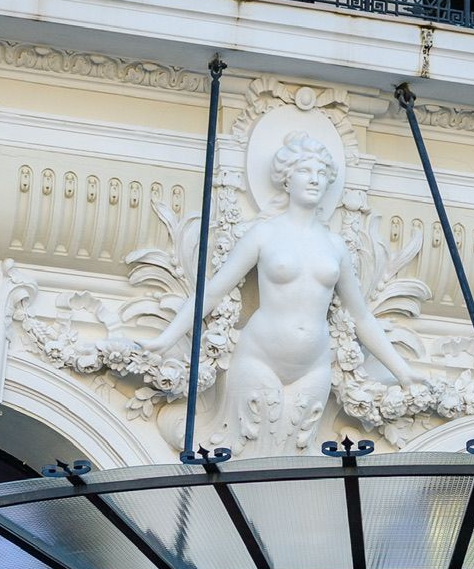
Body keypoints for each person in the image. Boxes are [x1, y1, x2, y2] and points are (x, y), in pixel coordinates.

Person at [150, 131, 413, 455]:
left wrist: (404, 372)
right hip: (260, 357)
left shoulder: (335, 246)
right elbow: (214, 292)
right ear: (287, 178)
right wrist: (166, 338)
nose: (314, 179)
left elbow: (360, 317)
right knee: (249, 454)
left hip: (314, 367)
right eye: (305, 170)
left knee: (296, 462)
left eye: (321, 173)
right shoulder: (265, 234)